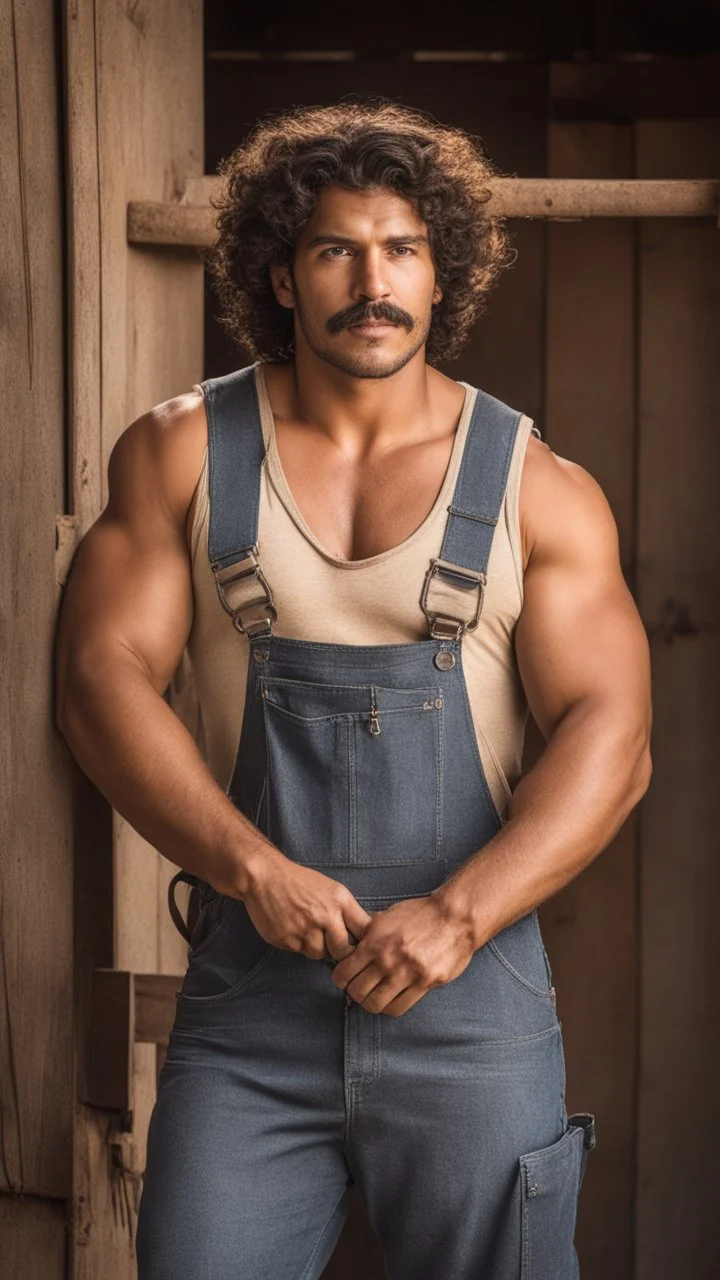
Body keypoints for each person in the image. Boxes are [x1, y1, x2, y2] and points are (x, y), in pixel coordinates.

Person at [55, 98, 652, 1280]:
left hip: (473, 1005)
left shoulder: (539, 487)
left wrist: (460, 913)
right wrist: (251, 866)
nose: (370, 281)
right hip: (251, 1008)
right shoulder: (181, 453)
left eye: (401, 250)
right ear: (281, 272)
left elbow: (614, 732)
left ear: (442, 276)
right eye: (335, 249)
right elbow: (98, 682)